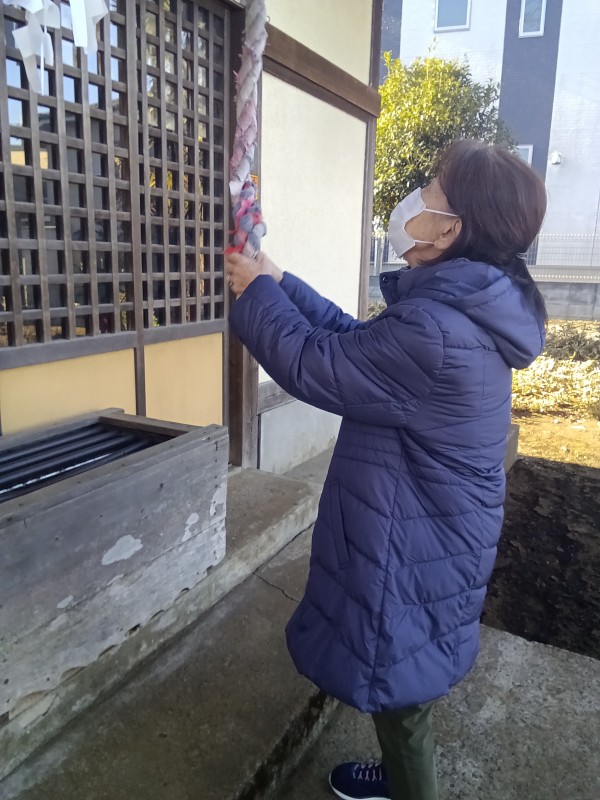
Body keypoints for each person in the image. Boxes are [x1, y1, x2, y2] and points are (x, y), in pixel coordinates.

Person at [225, 139, 547, 800]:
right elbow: (355, 341)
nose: (413, 200)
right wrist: (279, 282)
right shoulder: (458, 311)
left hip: (415, 543)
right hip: (430, 528)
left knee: (402, 698)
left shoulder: (435, 330)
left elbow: (315, 364)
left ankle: (408, 786)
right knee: (404, 676)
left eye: (430, 190)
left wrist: (256, 295)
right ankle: (398, 778)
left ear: (450, 230)